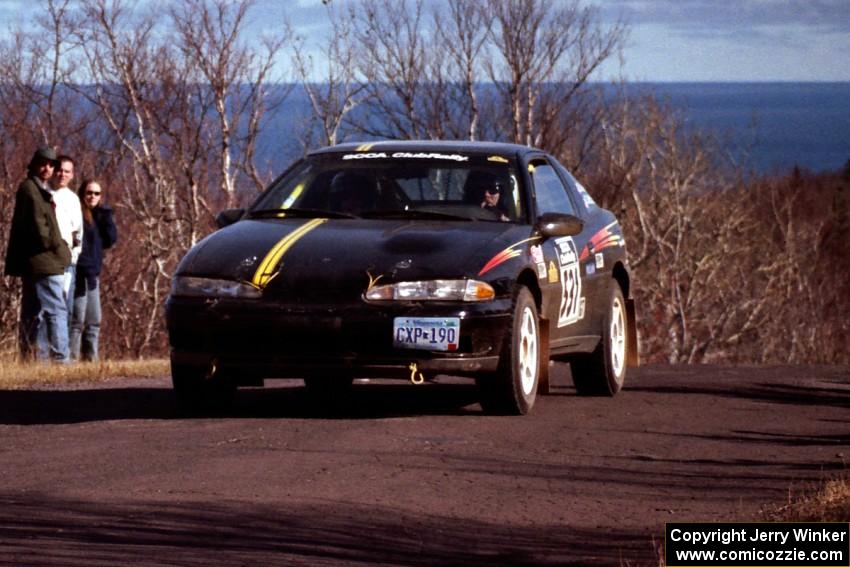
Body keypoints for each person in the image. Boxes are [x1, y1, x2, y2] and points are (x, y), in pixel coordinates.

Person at [4, 146, 72, 362]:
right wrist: (61, 247)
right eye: (43, 163)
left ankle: (32, 360)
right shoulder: (30, 189)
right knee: (56, 311)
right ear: (34, 164)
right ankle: (62, 360)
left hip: (36, 261)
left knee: (33, 314)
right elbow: (40, 230)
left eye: (51, 165)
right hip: (43, 261)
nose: (47, 168)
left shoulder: (39, 189)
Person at [70, 179, 117, 361]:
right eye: (89, 192)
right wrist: (85, 267)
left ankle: (91, 360)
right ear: (82, 194)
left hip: (93, 276)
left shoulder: (99, 217)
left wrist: (106, 216)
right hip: (80, 274)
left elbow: (110, 239)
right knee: (77, 320)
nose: (93, 196)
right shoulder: (78, 215)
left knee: (94, 320)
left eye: (97, 193)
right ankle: (72, 360)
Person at [50, 155, 83, 319]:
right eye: (60, 170)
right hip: (47, 260)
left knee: (64, 308)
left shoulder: (73, 199)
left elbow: (77, 231)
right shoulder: (45, 194)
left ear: (72, 174)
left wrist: (73, 256)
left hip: (67, 262)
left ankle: (62, 345)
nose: (62, 174)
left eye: (67, 171)